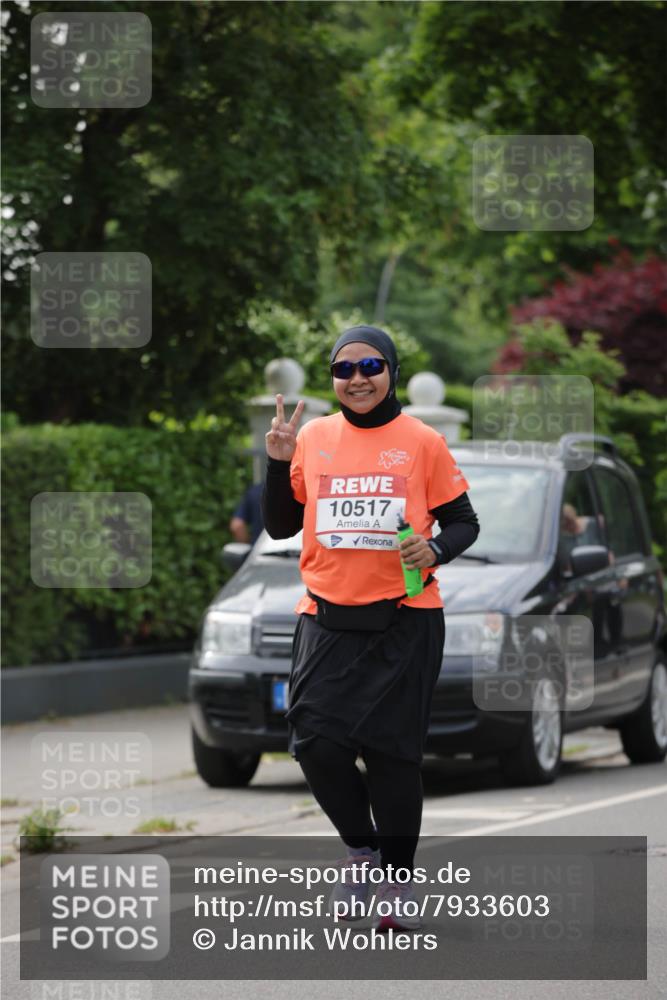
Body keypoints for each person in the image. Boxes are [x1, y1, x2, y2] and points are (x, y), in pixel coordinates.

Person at [261, 324, 480, 932]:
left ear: (391, 372)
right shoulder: (313, 437)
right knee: (315, 745)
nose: (357, 379)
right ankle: (362, 852)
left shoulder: (422, 441)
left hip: (404, 618)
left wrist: (435, 550)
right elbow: (280, 526)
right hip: (325, 617)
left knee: (391, 757)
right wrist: (276, 464)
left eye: (370, 366)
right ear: (333, 378)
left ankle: (398, 883)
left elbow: (464, 522)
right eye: (344, 369)